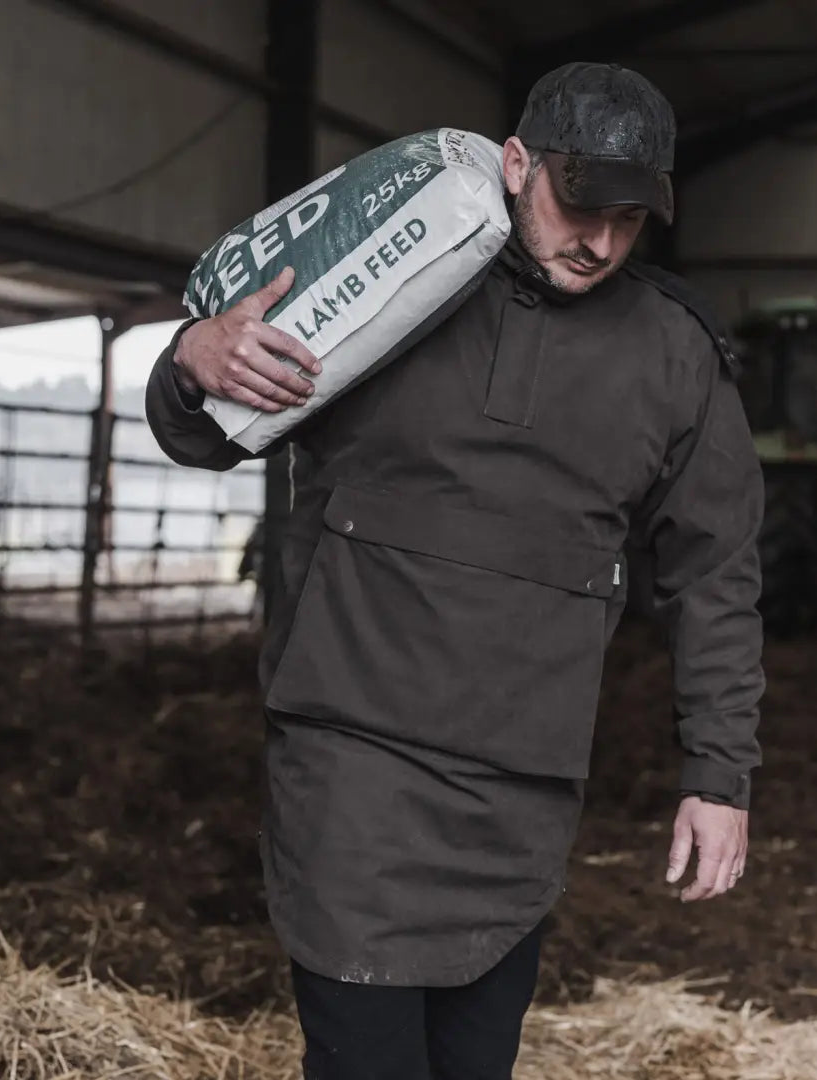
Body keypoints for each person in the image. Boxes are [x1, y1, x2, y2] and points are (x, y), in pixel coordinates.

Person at [147, 62, 764, 1080]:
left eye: (629, 219)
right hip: (353, 759)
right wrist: (189, 359)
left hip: (519, 784)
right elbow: (207, 436)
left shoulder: (674, 354)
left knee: (475, 1065)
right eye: (580, 204)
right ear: (515, 165)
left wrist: (719, 772)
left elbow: (719, 576)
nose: (601, 241)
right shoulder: (390, 282)